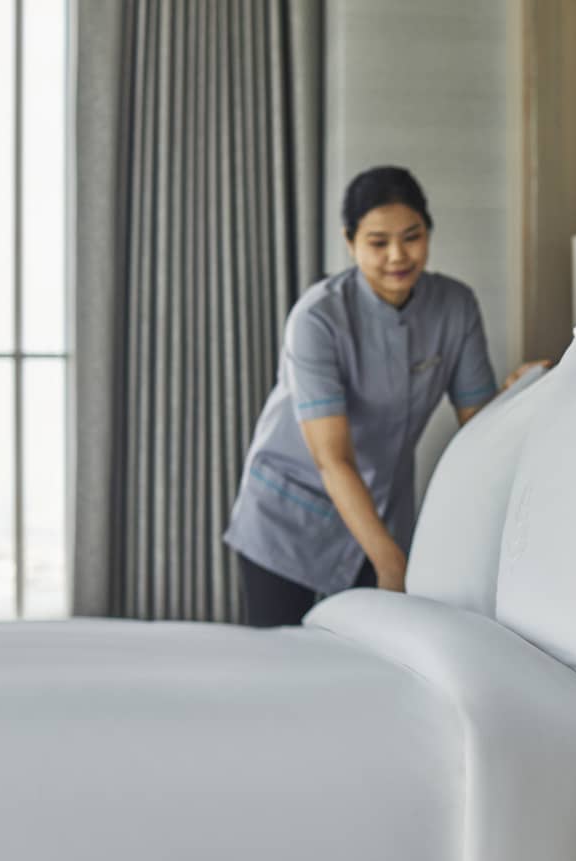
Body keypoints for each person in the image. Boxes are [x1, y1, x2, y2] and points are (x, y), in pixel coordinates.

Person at [224, 166, 544, 627]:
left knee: (362, 669)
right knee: (281, 669)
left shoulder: (455, 307)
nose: (398, 255)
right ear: (350, 242)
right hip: (288, 519)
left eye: (412, 237)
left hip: (380, 513)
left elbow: (478, 426)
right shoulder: (316, 320)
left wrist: (518, 397)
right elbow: (333, 459)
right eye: (377, 243)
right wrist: (391, 562)